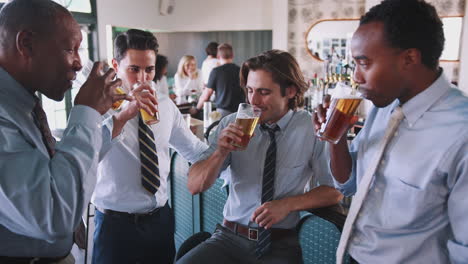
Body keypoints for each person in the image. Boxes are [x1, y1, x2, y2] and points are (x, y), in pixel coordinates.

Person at [313, 0, 468, 263]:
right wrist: (335, 139)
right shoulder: (384, 108)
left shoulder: (459, 131)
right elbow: (347, 184)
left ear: (409, 58)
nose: (357, 78)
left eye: (364, 63)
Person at [178, 50, 343, 264]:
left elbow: (334, 191)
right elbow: (194, 185)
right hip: (229, 238)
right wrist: (221, 151)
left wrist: (287, 205)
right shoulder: (231, 124)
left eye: (264, 92)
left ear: (290, 91)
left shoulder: (310, 128)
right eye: (249, 90)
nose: (253, 101)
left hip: (281, 244)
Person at [0, 0, 126, 261]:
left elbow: (57, 169)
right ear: (26, 44)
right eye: (70, 49)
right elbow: (55, 215)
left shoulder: (24, 104)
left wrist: (118, 121)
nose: (79, 64)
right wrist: (87, 111)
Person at [91, 29, 208, 264]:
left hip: (160, 221)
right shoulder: (97, 105)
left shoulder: (164, 105)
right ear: (116, 65)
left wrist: (225, 149)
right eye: (134, 69)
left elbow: (194, 150)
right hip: (116, 225)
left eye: (149, 69)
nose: (143, 79)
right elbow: (88, 156)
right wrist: (124, 115)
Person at [194, 43, 246, 118]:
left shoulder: (216, 71)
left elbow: (206, 94)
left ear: (218, 56)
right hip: (241, 113)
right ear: (232, 55)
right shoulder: (241, 70)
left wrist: (196, 109)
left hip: (223, 113)